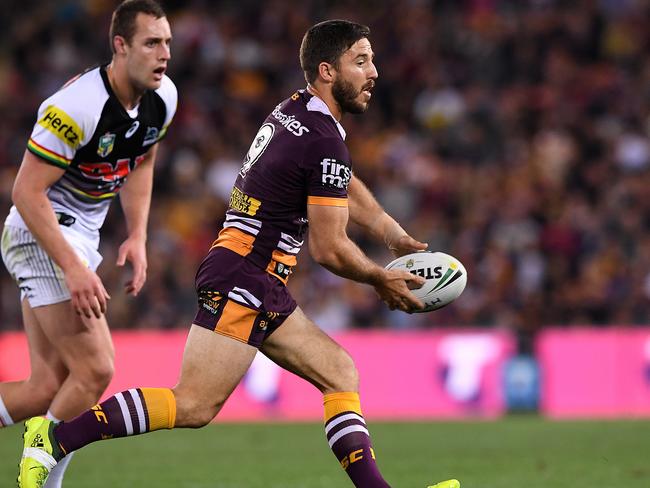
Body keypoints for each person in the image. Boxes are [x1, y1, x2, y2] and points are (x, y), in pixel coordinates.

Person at [17, 20, 458, 488]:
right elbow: (328, 248)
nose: (375, 73)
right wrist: (379, 279)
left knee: (338, 371)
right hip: (247, 275)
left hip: (247, 272)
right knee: (192, 405)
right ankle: (57, 438)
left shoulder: (299, 110)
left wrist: (389, 231)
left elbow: (338, 184)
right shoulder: (325, 139)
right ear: (328, 71)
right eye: (362, 61)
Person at [2, 1, 176, 486]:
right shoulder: (74, 109)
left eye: (167, 43)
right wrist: (75, 268)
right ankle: (41, 476)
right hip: (40, 232)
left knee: (46, 389)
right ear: (119, 46)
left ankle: (40, 459)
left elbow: (142, 160)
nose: (164, 54)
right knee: (97, 370)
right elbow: (25, 192)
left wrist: (138, 234)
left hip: (79, 236)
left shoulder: (163, 98)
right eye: (151, 43)